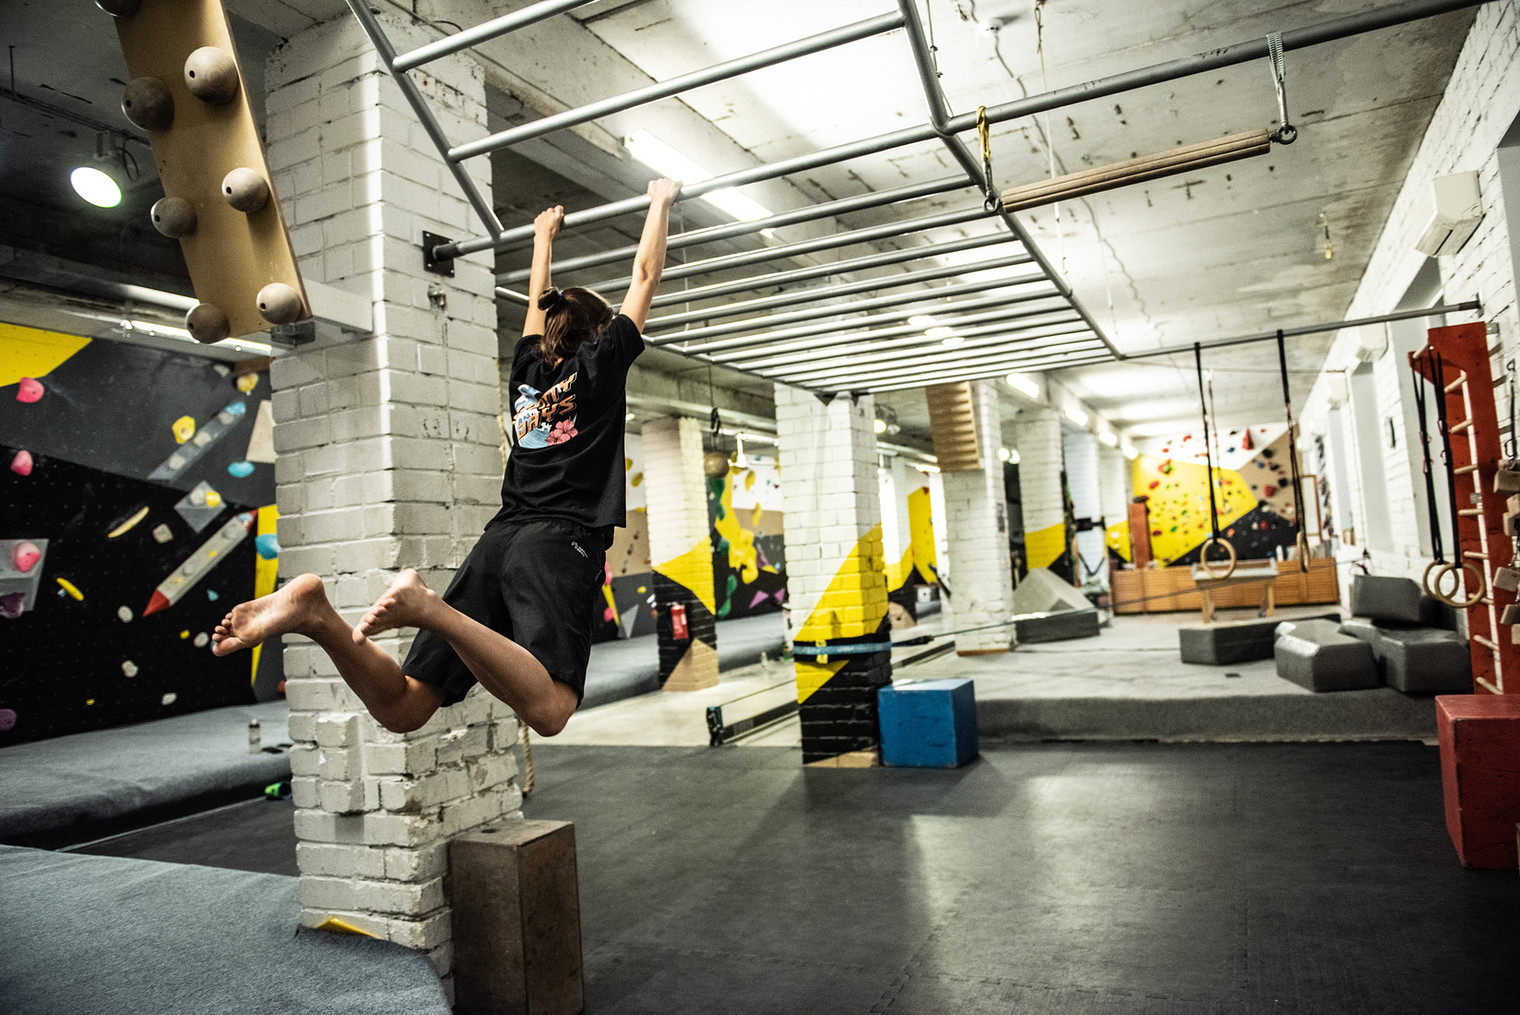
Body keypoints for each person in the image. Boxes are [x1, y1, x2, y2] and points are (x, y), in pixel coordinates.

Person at [212, 177, 683, 736]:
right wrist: (659, 202)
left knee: (405, 708)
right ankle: (433, 609)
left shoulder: (527, 372)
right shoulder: (601, 366)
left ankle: (316, 615)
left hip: (500, 541)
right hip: (559, 542)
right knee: (551, 710)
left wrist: (542, 238)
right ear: (600, 333)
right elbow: (645, 276)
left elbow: (536, 305)